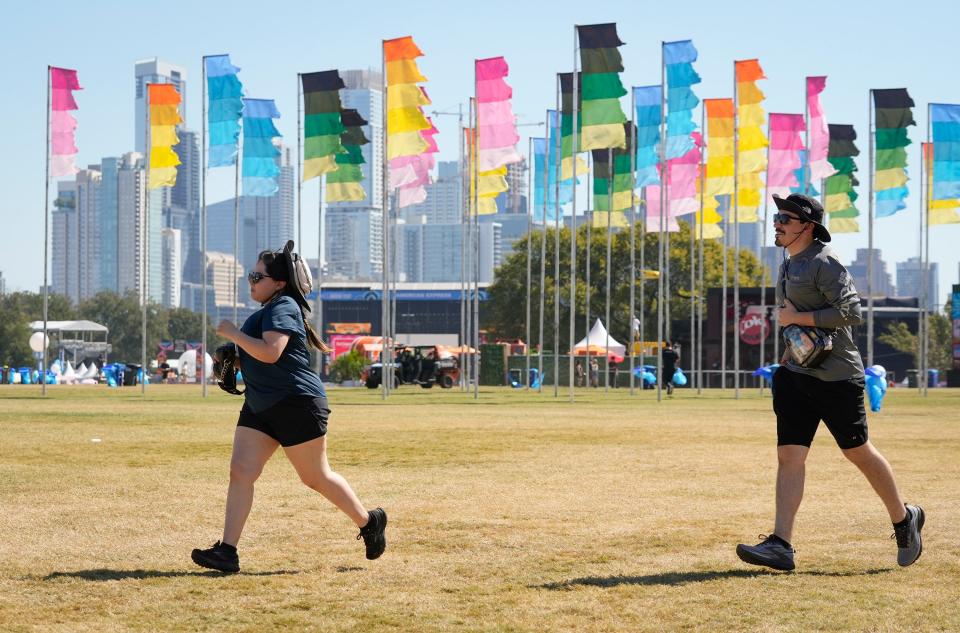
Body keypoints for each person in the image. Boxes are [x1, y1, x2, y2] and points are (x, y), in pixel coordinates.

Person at [736, 194, 924, 572]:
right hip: (796, 375)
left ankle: (905, 519)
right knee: (790, 456)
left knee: (858, 452)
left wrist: (798, 320)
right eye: (777, 217)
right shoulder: (789, 262)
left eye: (786, 219)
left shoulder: (826, 261)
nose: (778, 223)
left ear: (807, 226)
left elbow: (851, 312)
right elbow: (796, 317)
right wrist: (792, 350)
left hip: (837, 378)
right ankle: (781, 545)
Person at [191, 241, 387, 573]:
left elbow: (271, 352)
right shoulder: (267, 310)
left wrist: (234, 334)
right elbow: (261, 356)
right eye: (250, 275)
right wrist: (234, 359)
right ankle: (227, 552)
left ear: (279, 283)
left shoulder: (282, 306)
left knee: (315, 477)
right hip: (261, 404)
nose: (251, 281)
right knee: (241, 470)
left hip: (296, 403)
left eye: (257, 275)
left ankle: (369, 522)